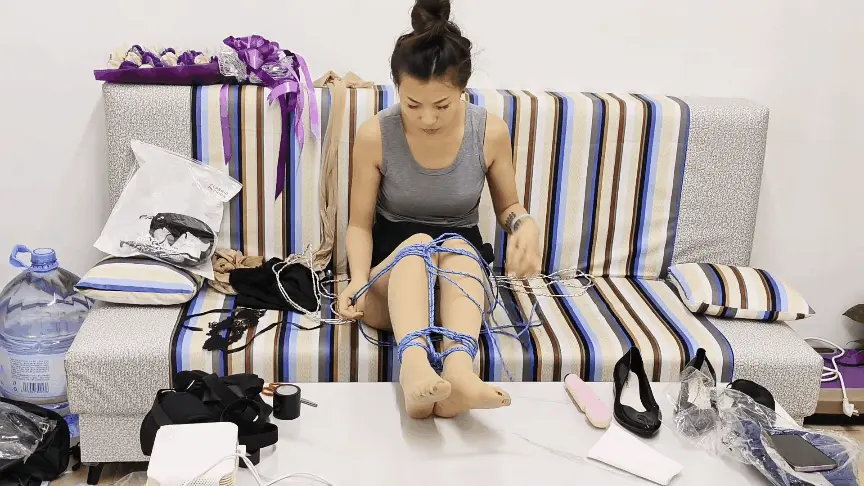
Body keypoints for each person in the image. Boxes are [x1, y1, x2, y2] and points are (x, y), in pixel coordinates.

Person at [336, 0, 541, 419]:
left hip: (459, 284)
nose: (427, 118)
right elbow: (359, 224)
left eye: (442, 105)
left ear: (463, 89)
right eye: (413, 104)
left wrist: (525, 225)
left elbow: (509, 207)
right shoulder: (376, 134)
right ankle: (413, 369)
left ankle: (459, 377)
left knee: (459, 250)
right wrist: (356, 280)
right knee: (417, 246)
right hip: (391, 279)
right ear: (397, 87)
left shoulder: (489, 132)